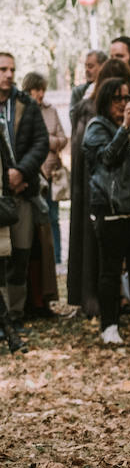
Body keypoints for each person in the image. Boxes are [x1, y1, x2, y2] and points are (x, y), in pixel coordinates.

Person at [84, 74, 130, 344]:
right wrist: (124, 128)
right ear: (105, 100)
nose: (123, 103)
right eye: (117, 98)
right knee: (111, 270)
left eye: (127, 97)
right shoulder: (97, 127)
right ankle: (109, 326)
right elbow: (105, 160)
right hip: (112, 211)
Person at [66, 58, 130, 318]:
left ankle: (103, 301)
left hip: (98, 189)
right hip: (99, 188)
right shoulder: (92, 113)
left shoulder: (90, 109)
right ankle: (99, 303)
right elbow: (102, 156)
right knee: (102, 254)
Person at [0, 52, 49, 327]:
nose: (8, 74)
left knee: (20, 254)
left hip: (22, 192)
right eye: (3, 69)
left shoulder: (25, 104)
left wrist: (21, 172)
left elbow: (41, 143)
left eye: (12, 69)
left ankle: (15, 315)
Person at [25, 72, 68, 276]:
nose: (41, 94)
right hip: (32, 175)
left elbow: (62, 139)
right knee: (33, 221)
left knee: (53, 217)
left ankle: (57, 259)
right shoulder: (22, 110)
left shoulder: (50, 111)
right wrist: (47, 140)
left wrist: (47, 140)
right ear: (29, 90)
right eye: (37, 90)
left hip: (51, 173)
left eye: (43, 89)